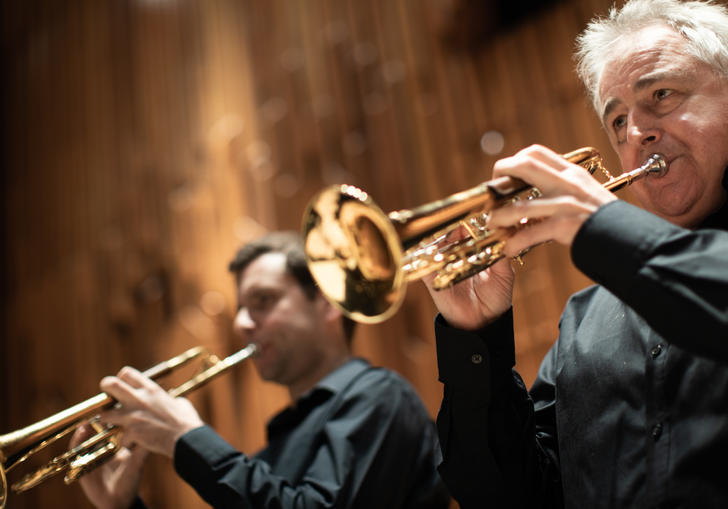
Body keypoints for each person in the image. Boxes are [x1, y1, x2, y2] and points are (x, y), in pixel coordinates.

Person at [426, 0, 728, 508]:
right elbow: (508, 497)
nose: (636, 135)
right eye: (616, 123)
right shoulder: (584, 321)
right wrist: (475, 341)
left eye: (661, 94)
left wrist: (604, 229)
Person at [72, 231, 450, 509]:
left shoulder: (381, 397)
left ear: (328, 302)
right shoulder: (271, 456)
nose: (241, 323)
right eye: (240, 308)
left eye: (263, 301)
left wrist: (187, 439)